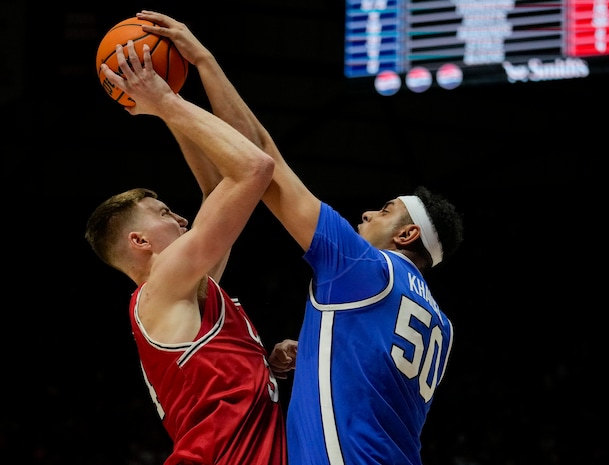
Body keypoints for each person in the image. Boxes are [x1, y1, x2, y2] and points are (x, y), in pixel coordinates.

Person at [135, 10, 463, 465]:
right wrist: (308, 354)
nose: (367, 212)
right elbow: (364, 376)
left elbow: (263, 160)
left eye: (386, 211)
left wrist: (204, 63)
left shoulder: (364, 268)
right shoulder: (440, 325)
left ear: (407, 234)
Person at [84, 37, 296, 465]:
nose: (182, 219)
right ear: (139, 243)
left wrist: (262, 368)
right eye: (164, 213)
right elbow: (253, 169)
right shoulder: (163, 284)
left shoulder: (187, 290)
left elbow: (218, 190)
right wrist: (169, 96)